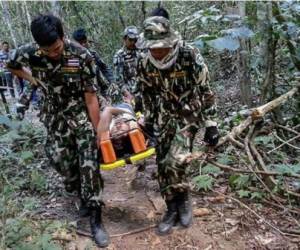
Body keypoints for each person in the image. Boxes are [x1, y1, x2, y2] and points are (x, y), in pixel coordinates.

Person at [6, 14, 109, 247]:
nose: (53, 54)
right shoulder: (29, 53)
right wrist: (30, 79)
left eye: (57, 48)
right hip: (54, 117)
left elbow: (91, 97)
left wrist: (98, 133)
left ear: (63, 37)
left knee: (89, 163)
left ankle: (96, 216)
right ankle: (78, 188)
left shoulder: (81, 55)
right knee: (60, 161)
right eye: (47, 51)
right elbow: (11, 65)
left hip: (80, 113)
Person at [134, 8, 219, 235]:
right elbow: (147, 94)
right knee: (162, 164)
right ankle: (172, 207)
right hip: (163, 116)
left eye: (162, 48)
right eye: (153, 49)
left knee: (176, 161)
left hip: (188, 115)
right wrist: (148, 120)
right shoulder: (144, 63)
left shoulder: (189, 56)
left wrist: (211, 125)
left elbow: (206, 91)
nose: (158, 53)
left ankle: (184, 201)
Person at [72, 28, 114, 99]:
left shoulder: (93, 54)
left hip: (102, 91)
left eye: (85, 42)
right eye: (81, 43)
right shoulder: (73, 60)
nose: (84, 45)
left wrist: (112, 82)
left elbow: (105, 68)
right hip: (88, 95)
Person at [113, 26, 140, 100]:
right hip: (129, 92)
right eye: (130, 40)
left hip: (142, 90)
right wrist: (128, 95)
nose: (133, 42)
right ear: (124, 39)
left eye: (135, 40)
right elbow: (119, 80)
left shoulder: (140, 52)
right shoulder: (119, 55)